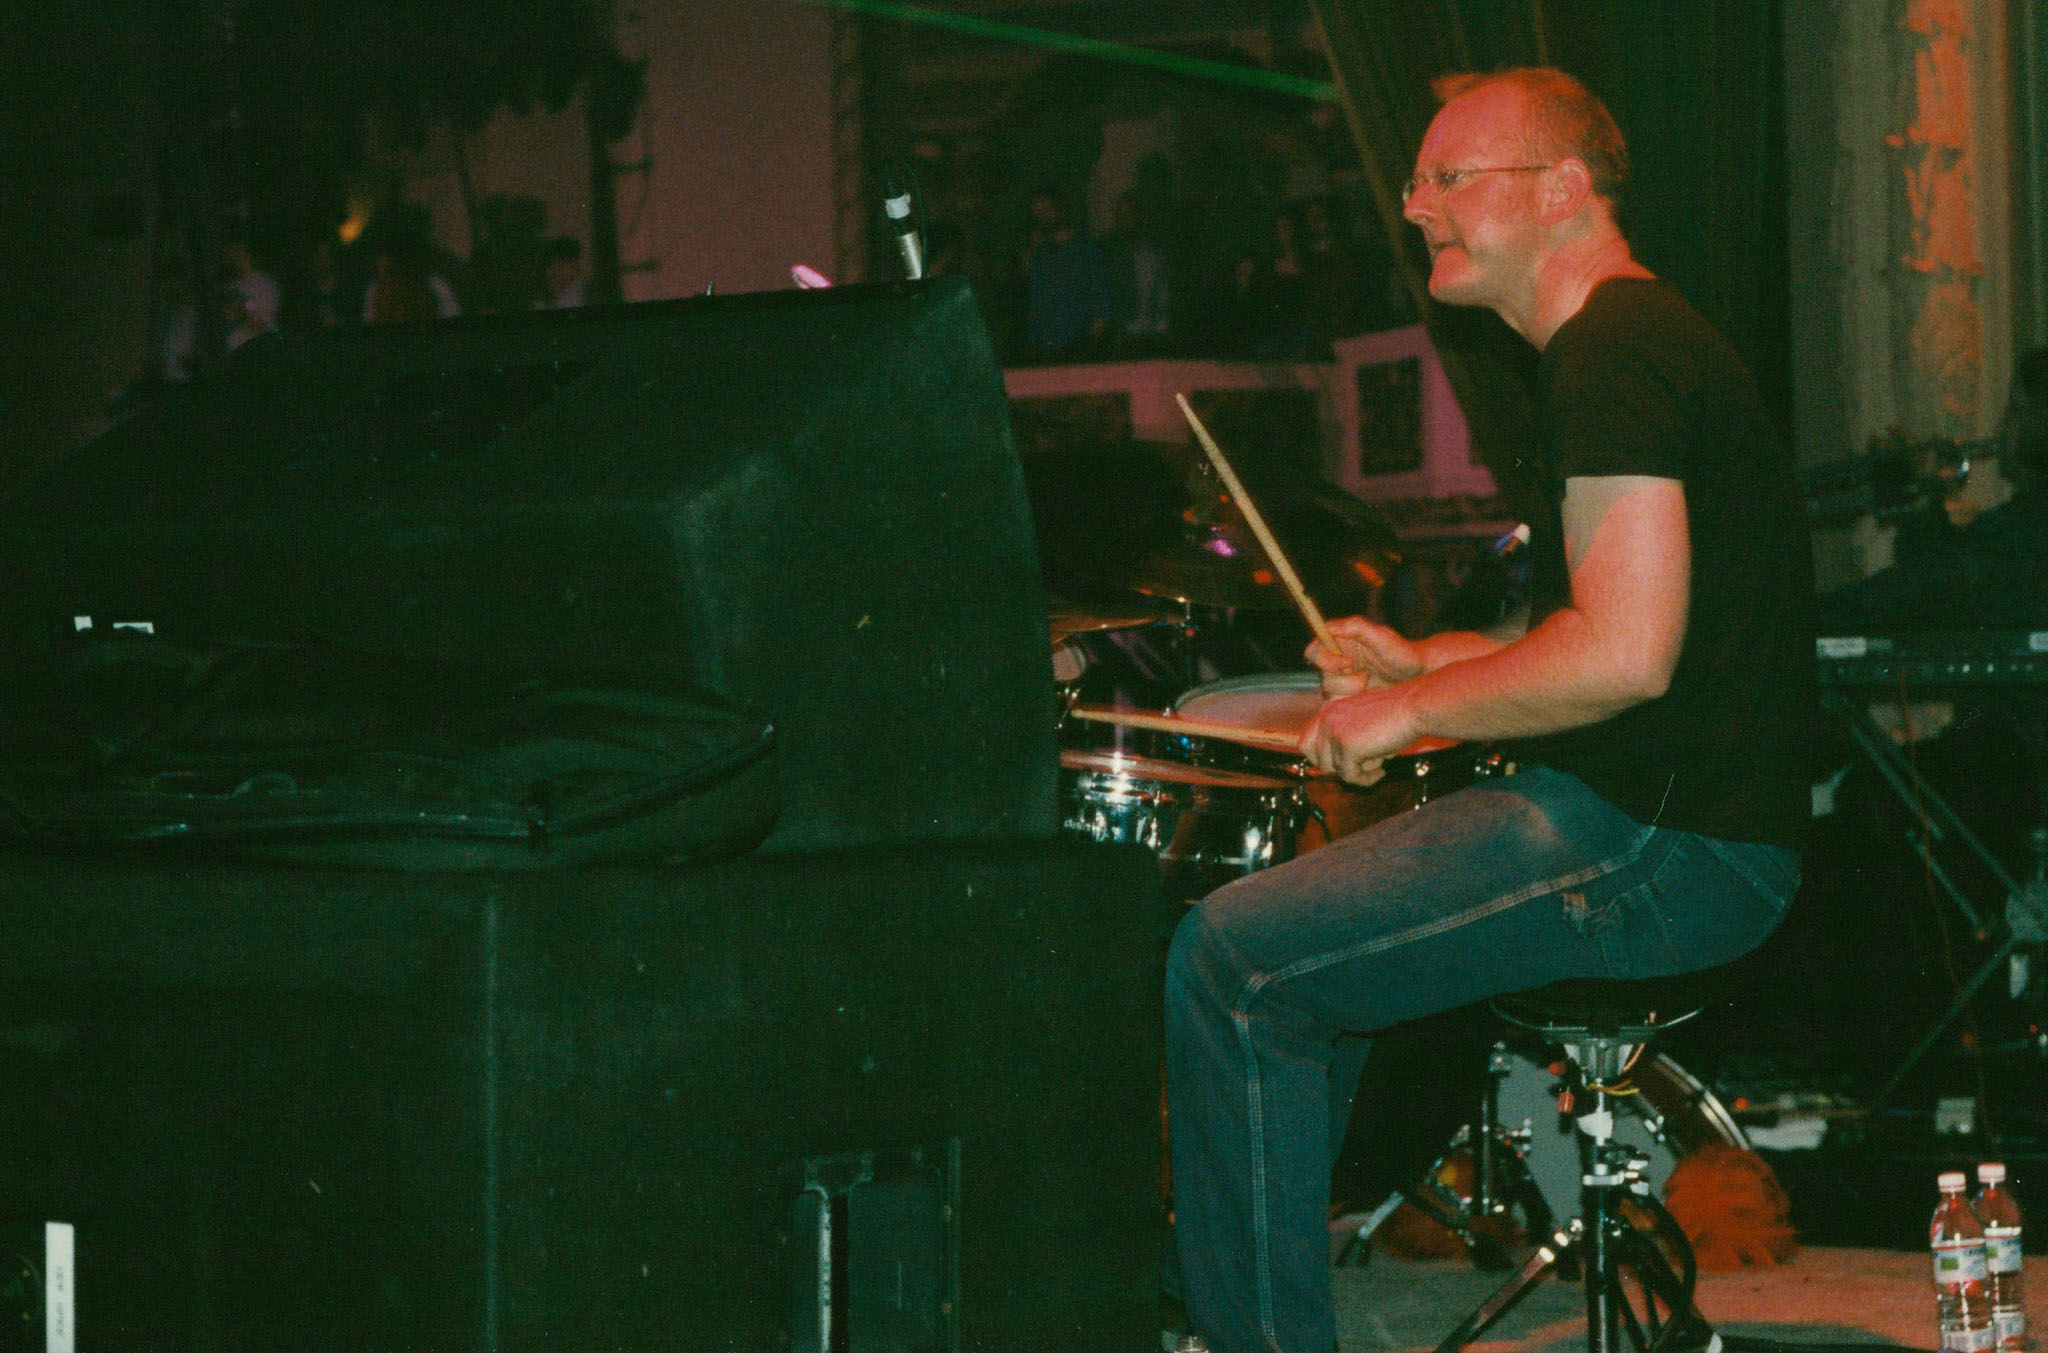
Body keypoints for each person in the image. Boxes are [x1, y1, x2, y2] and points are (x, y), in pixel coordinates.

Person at [1163, 67, 1815, 1353]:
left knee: (1231, 963)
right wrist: (1422, 659)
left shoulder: (1611, 350)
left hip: (1661, 841)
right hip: (1671, 821)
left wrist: (1411, 714)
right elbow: (1608, 630)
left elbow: (1622, 657)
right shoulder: (1633, 339)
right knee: (1297, 960)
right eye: (1414, 182)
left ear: (1562, 189)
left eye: (1447, 177)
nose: (1415, 207)